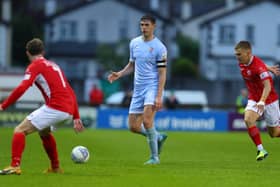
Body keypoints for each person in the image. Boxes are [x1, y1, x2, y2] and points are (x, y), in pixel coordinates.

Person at [0, 38, 84, 175]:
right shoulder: (53, 65)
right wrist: (76, 116)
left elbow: (22, 87)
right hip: (67, 109)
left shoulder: (35, 66)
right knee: (44, 132)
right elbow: (71, 91)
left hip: (56, 107)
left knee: (19, 130)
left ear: (27, 53)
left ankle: (14, 166)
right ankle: (55, 168)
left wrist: (4, 105)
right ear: (43, 51)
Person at [108, 14, 168, 165]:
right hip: (138, 88)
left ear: (154, 26)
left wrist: (159, 96)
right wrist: (120, 74)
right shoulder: (134, 43)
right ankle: (158, 137)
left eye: (147, 25)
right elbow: (132, 65)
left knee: (147, 121)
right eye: (142, 25)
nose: (144, 28)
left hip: (152, 88)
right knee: (133, 127)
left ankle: (155, 157)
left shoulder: (160, 48)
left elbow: (162, 74)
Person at [234, 40, 280, 161]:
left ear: (248, 53)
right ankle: (261, 150)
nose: (237, 57)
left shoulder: (258, 66)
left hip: (269, 100)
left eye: (239, 54)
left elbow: (268, 86)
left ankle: (262, 148)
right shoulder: (242, 62)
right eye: (236, 54)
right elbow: (256, 66)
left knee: (274, 134)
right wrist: (269, 68)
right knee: (248, 119)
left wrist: (262, 101)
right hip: (254, 98)